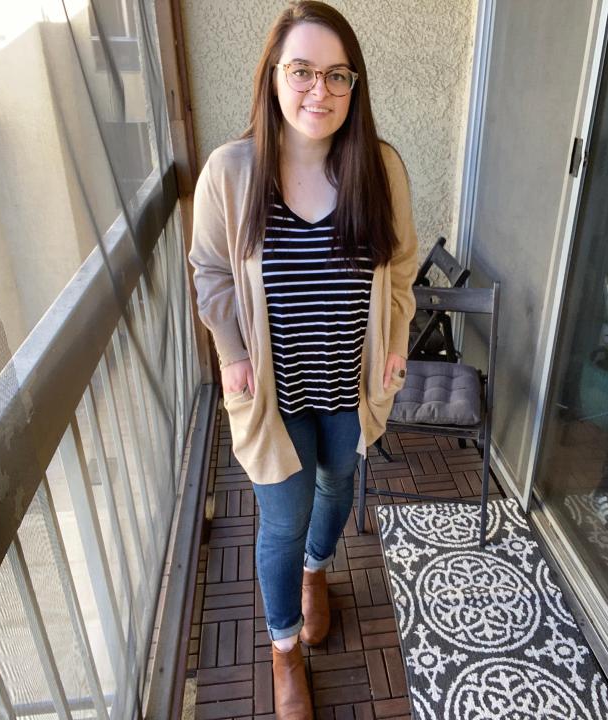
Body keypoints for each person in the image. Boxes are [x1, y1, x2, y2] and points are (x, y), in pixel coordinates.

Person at [188, 2, 417, 716]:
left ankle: (320, 572)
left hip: (347, 383)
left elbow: (403, 268)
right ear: (274, 77)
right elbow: (209, 271)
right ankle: (284, 648)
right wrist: (229, 351)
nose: (320, 91)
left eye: (337, 75)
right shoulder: (231, 171)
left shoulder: (379, 167)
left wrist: (396, 340)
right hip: (274, 395)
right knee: (281, 520)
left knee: (339, 487)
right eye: (302, 71)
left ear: (356, 85)